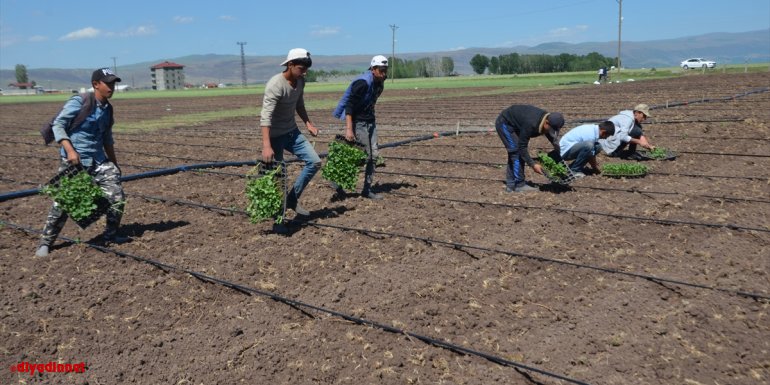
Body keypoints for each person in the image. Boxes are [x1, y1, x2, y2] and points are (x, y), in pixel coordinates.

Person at [35, 68, 126, 257]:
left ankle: (110, 235)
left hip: (98, 159)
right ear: (96, 85)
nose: (112, 87)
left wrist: (114, 164)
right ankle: (46, 242)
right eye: (108, 83)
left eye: (113, 83)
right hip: (75, 159)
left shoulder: (108, 109)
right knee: (64, 203)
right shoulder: (80, 101)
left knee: (116, 195)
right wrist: (70, 150)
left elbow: (107, 138)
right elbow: (58, 125)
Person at [260, 48, 321, 219]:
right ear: (290, 65)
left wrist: (308, 123)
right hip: (275, 137)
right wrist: (266, 145)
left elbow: (299, 104)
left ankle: (292, 199)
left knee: (315, 162)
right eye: (302, 68)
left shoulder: (300, 81)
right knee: (279, 176)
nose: (305, 72)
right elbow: (266, 116)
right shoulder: (275, 84)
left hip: (292, 132)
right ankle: (279, 219)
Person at [331, 55, 388, 200]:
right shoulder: (362, 83)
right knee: (363, 156)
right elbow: (349, 106)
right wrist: (349, 129)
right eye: (381, 70)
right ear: (373, 69)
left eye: (385, 70)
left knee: (373, 156)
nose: (384, 73)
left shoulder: (380, 82)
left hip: (370, 121)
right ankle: (338, 180)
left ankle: (366, 189)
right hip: (358, 122)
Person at [495, 105, 565, 192]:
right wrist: (533, 164)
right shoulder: (531, 124)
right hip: (504, 124)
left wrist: (557, 148)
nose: (550, 131)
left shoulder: (547, 119)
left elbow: (550, 134)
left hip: (516, 123)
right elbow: (522, 147)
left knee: (514, 153)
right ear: (546, 122)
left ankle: (511, 184)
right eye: (550, 129)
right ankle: (519, 184)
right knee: (516, 152)